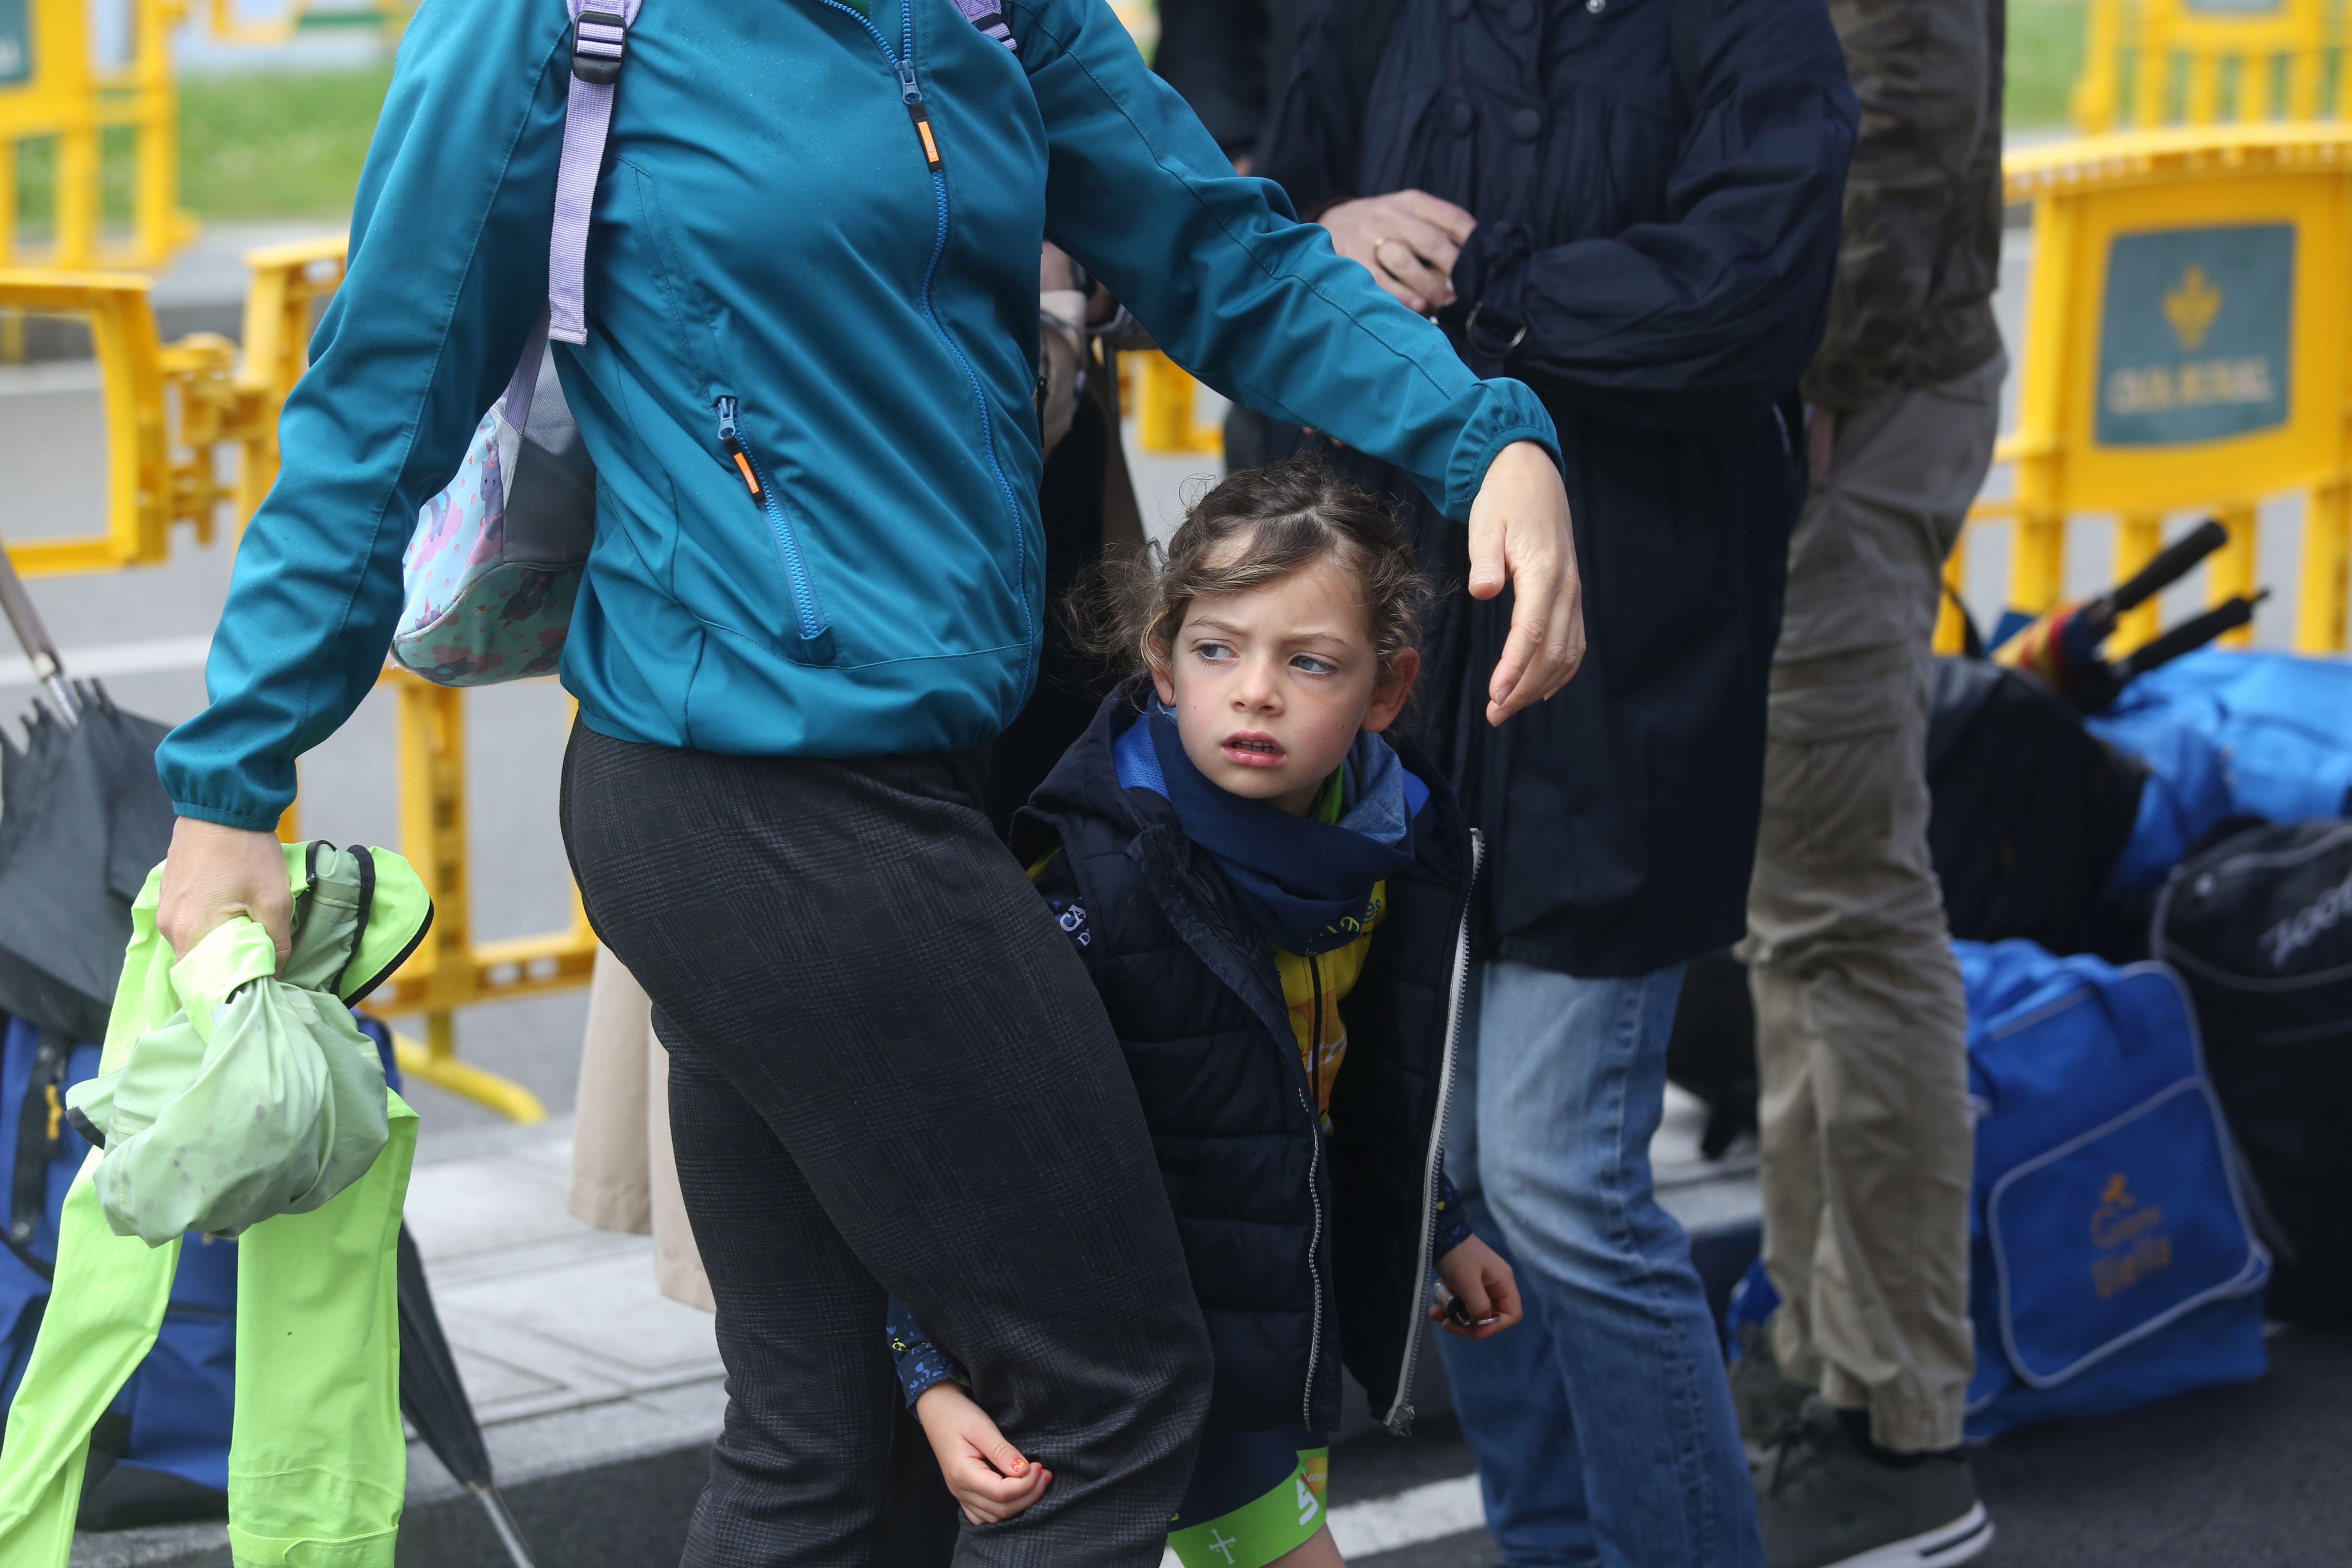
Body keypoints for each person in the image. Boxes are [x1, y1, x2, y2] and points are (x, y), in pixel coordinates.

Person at [144, 0, 1584, 1559]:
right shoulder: (557, 18)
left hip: (926, 773)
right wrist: (233, 783)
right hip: (745, 803)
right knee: (1105, 1397)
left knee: (833, 1448)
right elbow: (384, 391)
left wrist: (1483, 438)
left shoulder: (1004, 13)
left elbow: (1221, 251)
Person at [1254, 0, 1857, 1564]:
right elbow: (1259, 259)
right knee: (1447, 1189)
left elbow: (1750, 299)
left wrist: (1482, 287)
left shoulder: (1749, 29)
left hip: (1635, 666)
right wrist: (1323, 235)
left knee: (1559, 1178)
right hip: (1409, 664)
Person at [886, 460, 1523, 1568]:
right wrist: (928, 1372)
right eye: (1218, 650)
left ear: (1385, 689)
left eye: (1309, 662)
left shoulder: (1397, 844)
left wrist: (1440, 1223)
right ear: (1164, 666)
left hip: (1283, 1323)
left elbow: (1348, 1081)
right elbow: (963, 1140)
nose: (1256, 691)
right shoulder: (1092, 878)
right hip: (1148, 1352)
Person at [1733, 0, 2007, 1559]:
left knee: (1845, 918)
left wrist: (1795, 365)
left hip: (1847, 403)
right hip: (1825, 393)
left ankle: (1902, 1436)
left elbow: (1903, 110)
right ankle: (1823, 1367)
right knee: (1798, 925)